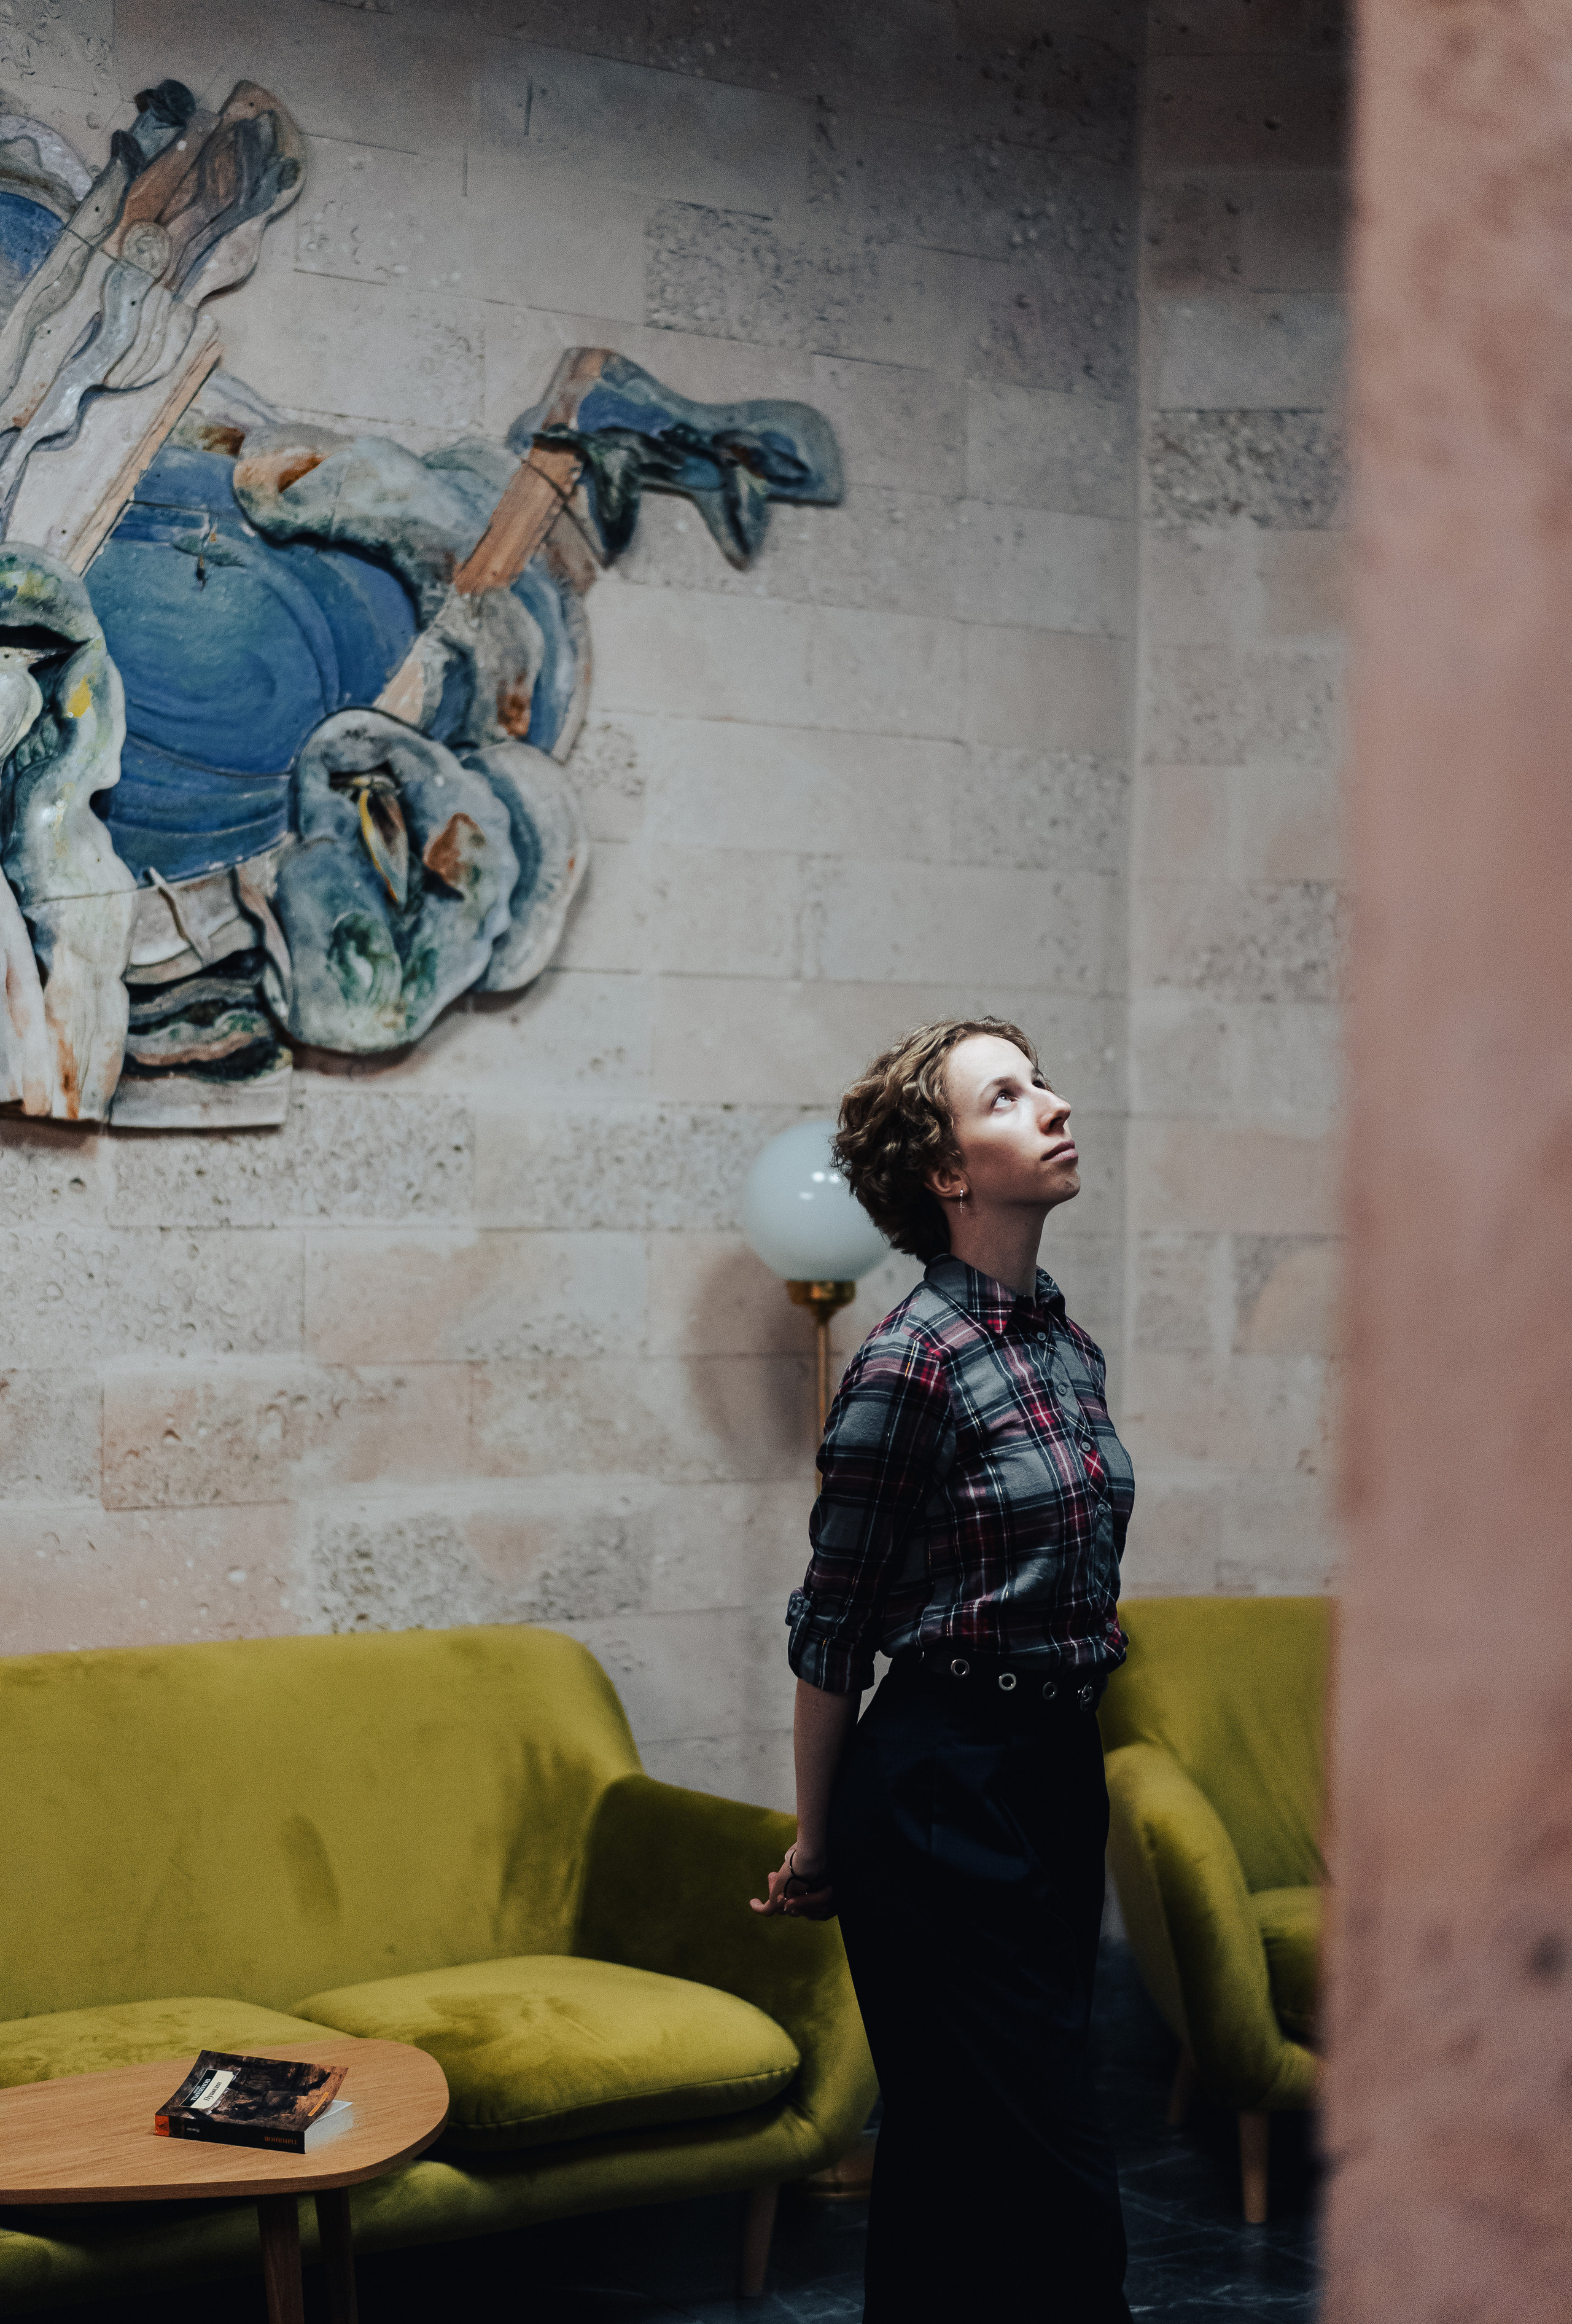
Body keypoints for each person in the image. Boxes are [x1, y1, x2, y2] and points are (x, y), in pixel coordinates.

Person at [752, 1016, 1135, 2323]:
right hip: (934, 1787)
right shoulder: (904, 1363)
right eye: (1010, 1094)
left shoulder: (1062, 1346)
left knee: (956, 2152)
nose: (1054, 1102)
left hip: (1049, 1768)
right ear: (944, 1170)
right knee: (1049, 2157)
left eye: (1042, 1080)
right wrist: (816, 1846)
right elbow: (832, 1629)